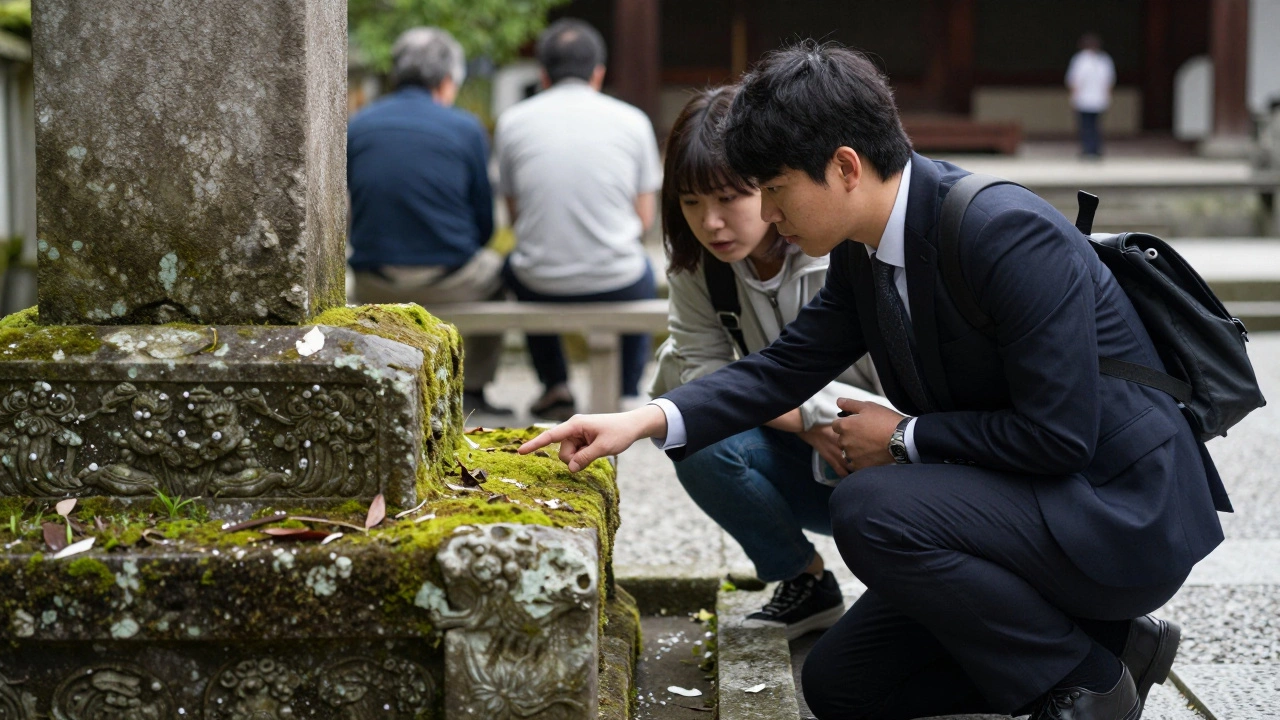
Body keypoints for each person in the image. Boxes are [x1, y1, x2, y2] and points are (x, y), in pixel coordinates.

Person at [522, 42, 1230, 720]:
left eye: (775, 190)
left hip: (1119, 513)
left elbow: (1061, 436)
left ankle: (1087, 682)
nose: (767, 215)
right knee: (843, 687)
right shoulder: (867, 252)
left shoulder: (1005, 231)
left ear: (846, 167)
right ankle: (1116, 644)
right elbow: (779, 369)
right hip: (1029, 498)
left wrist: (903, 435)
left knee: (870, 509)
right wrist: (639, 421)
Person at [651, 85, 888, 637]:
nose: (710, 223)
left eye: (728, 198)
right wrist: (807, 423)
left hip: (885, 455)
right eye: (690, 203)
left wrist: (805, 412)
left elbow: (900, 392)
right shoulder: (698, 268)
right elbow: (698, 376)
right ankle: (803, 580)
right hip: (806, 453)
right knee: (697, 440)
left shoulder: (839, 248)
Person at [493, 19, 662, 421]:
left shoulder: (513, 122)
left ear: (543, 74)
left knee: (517, 268)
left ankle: (555, 385)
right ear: (598, 73)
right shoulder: (633, 121)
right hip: (616, 280)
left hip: (540, 281)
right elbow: (644, 220)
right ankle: (625, 390)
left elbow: (516, 218)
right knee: (640, 273)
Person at [347, 27, 511, 416]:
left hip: (374, 278)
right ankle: (473, 387)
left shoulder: (359, 125)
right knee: (498, 274)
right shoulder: (466, 127)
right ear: (447, 80)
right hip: (450, 278)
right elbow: (485, 223)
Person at [1066, 33, 1116, 158]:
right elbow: (1109, 81)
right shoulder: (1104, 60)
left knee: (1086, 125)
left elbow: (1073, 80)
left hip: (1085, 99)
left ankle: (1088, 149)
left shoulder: (1080, 60)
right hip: (1098, 99)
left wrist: (1073, 96)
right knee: (1095, 125)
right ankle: (1094, 149)